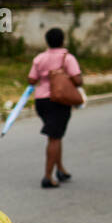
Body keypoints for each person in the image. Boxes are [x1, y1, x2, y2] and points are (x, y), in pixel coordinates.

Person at [28, 27, 82, 189]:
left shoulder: (39, 58)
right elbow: (78, 80)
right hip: (59, 101)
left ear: (47, 41)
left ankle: (60, 170)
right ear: (63, 40)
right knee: (55, 137)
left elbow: (31, 80)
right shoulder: (68, 58)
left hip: (41, 102)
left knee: (55, 135)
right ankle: (48, 177)